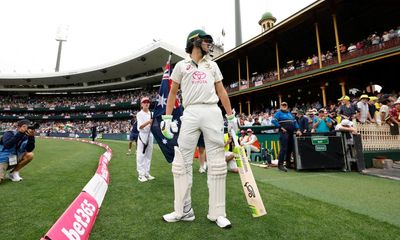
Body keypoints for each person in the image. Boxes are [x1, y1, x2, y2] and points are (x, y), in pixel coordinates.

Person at [160, 29, 237, 228]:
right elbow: (172, 93)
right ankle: (183, 210)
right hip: (190, 112)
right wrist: (167, 118)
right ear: (195, 42)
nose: (208, 45)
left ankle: (217, 213)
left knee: (218, 161)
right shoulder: (181, 66)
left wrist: (231, 116)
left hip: (212, 111)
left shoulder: (213, 65)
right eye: (205, 42)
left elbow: (221, 91)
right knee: (181, 162)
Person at [272, 102, 302, 172]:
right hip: (284, 132)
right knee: (284, 148)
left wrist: (298, 129)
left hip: (291, 133)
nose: (284, 106)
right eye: (283, 105)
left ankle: (288, 163)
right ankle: (280, 165)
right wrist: (280, 127)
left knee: (290, 148)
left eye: (285, 105)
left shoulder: (290, 114)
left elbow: (295, 122)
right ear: (281, 106)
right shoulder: (278, 113)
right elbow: (273, 121)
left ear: (287, 106)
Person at [136, 97, 155, 182]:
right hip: (142, 135)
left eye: (148, 102)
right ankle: (141, 175)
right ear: (141, 104)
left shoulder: (152, 113)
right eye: (144, 102)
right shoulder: (139, 114)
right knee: (141, 155)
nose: (146, 103)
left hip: (150, 135)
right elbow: (140, 126)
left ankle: (147, 173)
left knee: (148, 155)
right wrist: (149, 122)